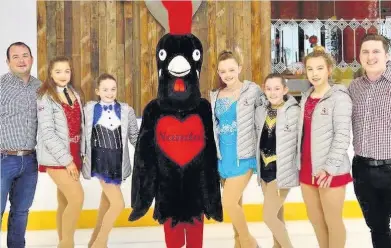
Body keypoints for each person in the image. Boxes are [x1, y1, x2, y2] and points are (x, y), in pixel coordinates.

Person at [297, 46, 352, 248]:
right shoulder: (305, 97)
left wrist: (329, 168)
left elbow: (342, 136)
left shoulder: (339, 97)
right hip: (307, 169)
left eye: (319, 68)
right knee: (316, 220)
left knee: (333, 220)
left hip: (331, 170)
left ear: (329, 69)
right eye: (310, 69)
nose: (315, 74)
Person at [210, 49, 264, 248]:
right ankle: (238, 244)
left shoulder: (252, 91)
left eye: (231, 69)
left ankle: (249, 243)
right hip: (224, 158)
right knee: (236, 205)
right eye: (223, 71)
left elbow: (264, 118)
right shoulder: (215, 96)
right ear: (218, 72)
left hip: (244, 156)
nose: (227, 75)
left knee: (229, 203)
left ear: (240, 68)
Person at [82, 73, 139, 248]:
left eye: (113, 89)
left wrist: (148, 153)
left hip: (117, 163)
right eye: (105, 89)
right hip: (100, 161)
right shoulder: (89, 109)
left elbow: (134, 137)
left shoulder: (126, 110)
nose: (110, 92)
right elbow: (80, 133)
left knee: (106, 205)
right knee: (118, 203)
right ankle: (99, 244)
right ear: (98, 91)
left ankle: (94, 241)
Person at [36, 56, 84, 248]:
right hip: (57, 157)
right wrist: (67, 161)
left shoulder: (75, 93)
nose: (63, 75)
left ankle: (63, 243)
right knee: (77, 198)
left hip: (74, 152)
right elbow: (47, 133)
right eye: (58, 71)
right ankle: (66, 245)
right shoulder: (45, 97)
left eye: (67, 71)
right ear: (50, 74)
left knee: (65, 202)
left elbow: (80, 126)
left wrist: (82, 153)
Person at [349, 33, 391, 248]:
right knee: (377, 227)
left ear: (387, 55)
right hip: (362, 170)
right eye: (365, 51)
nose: (370, 56)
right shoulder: (354, 87)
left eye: (376, 51)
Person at [0, 42, 40, 248]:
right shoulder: (0, 86)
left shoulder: (40, 87)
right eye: (15, 57)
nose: (21, 60)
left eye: (25, 55)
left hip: (30, 161)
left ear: (32, 59)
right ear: (8, 62)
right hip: (3, 159)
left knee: (21, 211)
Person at [255, 73, 299, 248]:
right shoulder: (261, 111)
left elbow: (300, 141)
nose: (273, 93)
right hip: (265, 170)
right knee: (277, 215)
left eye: (277, 88)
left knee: (268, 217)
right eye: (268, 88)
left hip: (282, 172)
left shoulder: (294, 111)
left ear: (285, 90)